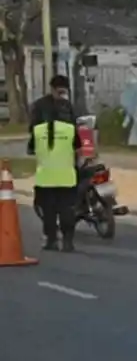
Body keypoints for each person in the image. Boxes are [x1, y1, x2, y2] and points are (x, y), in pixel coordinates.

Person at [30, 97, 81, 252]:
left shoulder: (38, 131)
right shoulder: (70, 130)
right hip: (66, 177)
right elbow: (78, 150)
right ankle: (67, 241)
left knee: (49, 212)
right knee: (67, 210)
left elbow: (31, 149)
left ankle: (51, 240)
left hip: (45, 178)